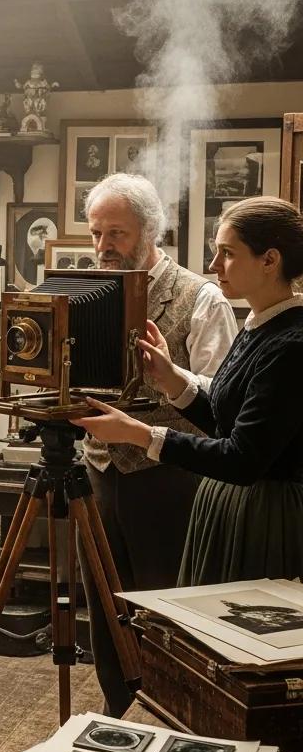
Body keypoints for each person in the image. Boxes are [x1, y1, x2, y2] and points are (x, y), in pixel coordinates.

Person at [76, 195, 303, 591]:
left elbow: (244, 457)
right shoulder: (259, 325)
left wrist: (139, 433)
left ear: (270, 260)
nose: (214, 265)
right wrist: (172, 380)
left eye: (227, 253)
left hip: (265, 517)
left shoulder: (292, 343)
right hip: (228, 508)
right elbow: (226, 419)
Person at [77, 174, 236, 717]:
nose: (102, 247)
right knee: (104, 604)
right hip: (99, 471)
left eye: (115, 233)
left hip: (171, 479)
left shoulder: (201, 297)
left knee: (168, 608)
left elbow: (223, 404)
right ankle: (118, 713)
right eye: (95, 233)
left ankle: (172, 716)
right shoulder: (90, 292)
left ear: (150, 231)